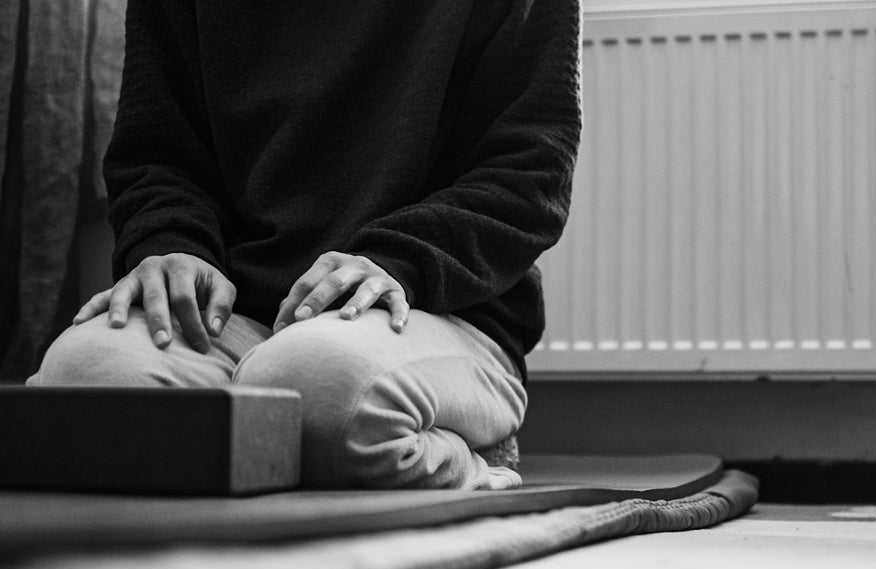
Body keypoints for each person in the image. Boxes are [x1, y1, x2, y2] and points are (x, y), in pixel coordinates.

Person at [28, 0, 582, 491]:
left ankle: (470, 458)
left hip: (433, 306)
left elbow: (531, 170)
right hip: (235, 317)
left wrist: (398, 261)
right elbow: (157, 148)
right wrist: (171, 242)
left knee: (316, 384)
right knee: (81, 374)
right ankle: (301, 444)